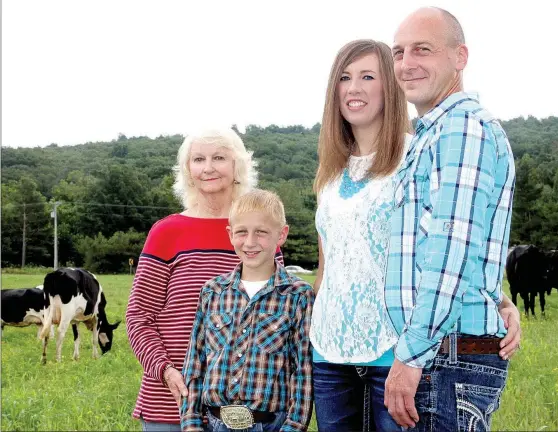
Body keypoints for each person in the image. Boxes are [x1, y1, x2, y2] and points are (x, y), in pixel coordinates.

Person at [310, 39, 521, 432]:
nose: (353, 88)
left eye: (367, 76)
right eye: (344, 78)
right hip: (328, 352)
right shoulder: (330, 173)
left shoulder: (417, 153)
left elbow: (449, 239)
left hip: (396, 351)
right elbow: (329, 266)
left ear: (390, 85)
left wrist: (499, 301)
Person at [383, 7, 519, 430]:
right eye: (399, 52)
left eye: (422, 50)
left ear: (460, 57)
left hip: (444, 358)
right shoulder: (433, 134)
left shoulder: (461, 128)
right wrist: (498, 299)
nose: (407, 63)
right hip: (442, 354)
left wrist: (410, 356)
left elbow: (451, 255)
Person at [126, 128, 283, 431]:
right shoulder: (166, 232)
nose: (208, 167)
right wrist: (165, 370)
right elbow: (138, 316)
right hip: (172, 398)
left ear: (238, 166)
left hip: (241, 405)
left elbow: (274, 316)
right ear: (187, 170)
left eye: (219, 158)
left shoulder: (258, 232)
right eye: (198, 159)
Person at [180, 189, 314, 432]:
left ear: (281, 235)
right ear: (230, 234)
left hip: (271, 423)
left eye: (261, 232)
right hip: (213, 422)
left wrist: (294, 426)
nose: (250, 242)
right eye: (242, 232)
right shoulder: (212, 292)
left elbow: (303, 370)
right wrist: (191, 422)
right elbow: (195, 361)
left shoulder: (298, 295)